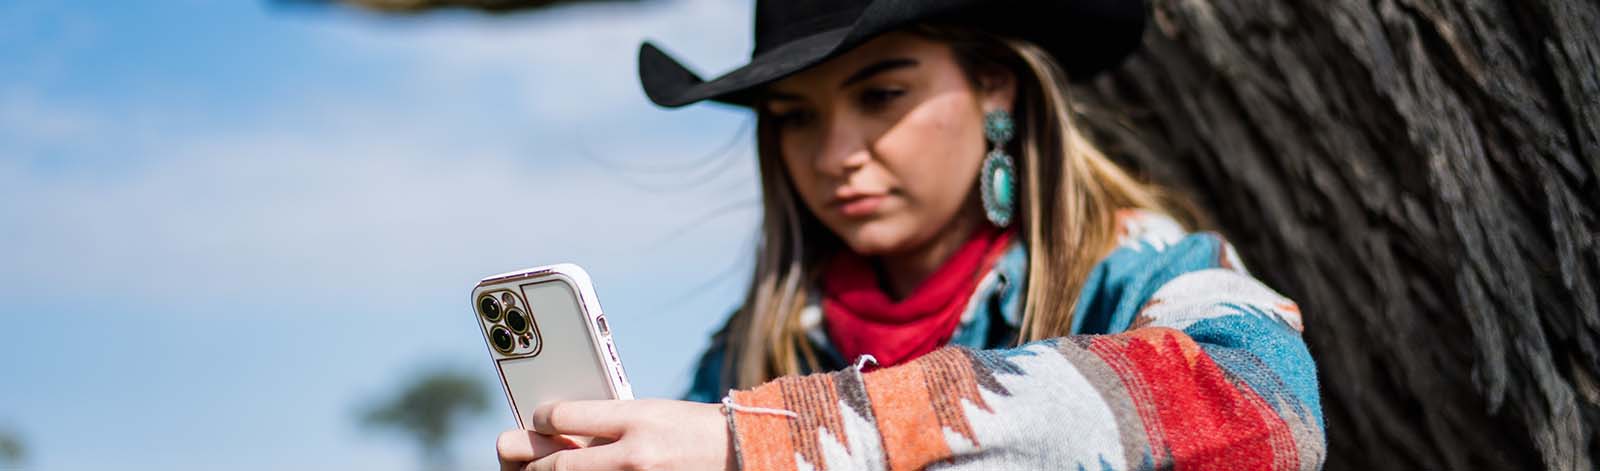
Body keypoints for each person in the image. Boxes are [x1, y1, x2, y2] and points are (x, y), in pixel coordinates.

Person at [498, 0, 1326, 469]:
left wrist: (762, 445)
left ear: (995, 87)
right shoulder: (756, 348)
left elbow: (1266, 403)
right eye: (795, 117)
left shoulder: (1135, 267)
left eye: (881, 95)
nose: (834, 156)